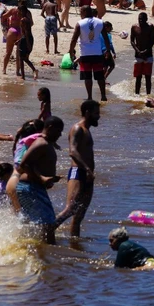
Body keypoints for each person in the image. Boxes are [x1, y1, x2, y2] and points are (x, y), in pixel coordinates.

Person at [54, 100, 99, 238]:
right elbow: (72, 151)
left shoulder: (87, 130)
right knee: (70, 209)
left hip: (87, 175)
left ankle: (74, 243)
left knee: (79, 215)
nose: (99, 116)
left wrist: (89, 172)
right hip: (78, 172)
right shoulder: (77, 128)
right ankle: (46, 231)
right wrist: (87, 169)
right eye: (96, 113)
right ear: (87, 112)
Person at [17, 116, 65, 244]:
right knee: (48, 224)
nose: (60, 135)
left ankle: (31, 248)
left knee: (36, 224)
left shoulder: (46, 143)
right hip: (30, 187)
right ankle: (50, 251)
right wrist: (42, 178)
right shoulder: (41, 143)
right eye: (59, 131)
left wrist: (49, 178)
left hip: (31, 187)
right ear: (50, 127)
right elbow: (23, 164)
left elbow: (35, 165)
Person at [68, 6, 107, 101]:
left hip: (85, 54)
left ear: (85, 12)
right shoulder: (100, 22)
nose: (80, 14)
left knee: (87, 77)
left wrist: (71, 51)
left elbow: (74, 39)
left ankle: (89, 97)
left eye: (81, 11)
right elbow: (106, 38)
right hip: (97, 53)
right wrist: (108, 51)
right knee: (100, 76)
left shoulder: (80, 24)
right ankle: (103, 96)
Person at [130, 12, 154, 95]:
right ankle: (137, 94)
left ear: (146, 19)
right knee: (138, 77)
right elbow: (132, 41)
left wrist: (145, 51)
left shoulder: (150, 27)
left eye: (142, 19)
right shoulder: (134, 27)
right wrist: (138, 51)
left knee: (148, 77)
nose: (141, 21)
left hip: (148, 55)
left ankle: (148, 95)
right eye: (139, 19)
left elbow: (152, 41)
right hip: (138, 55)